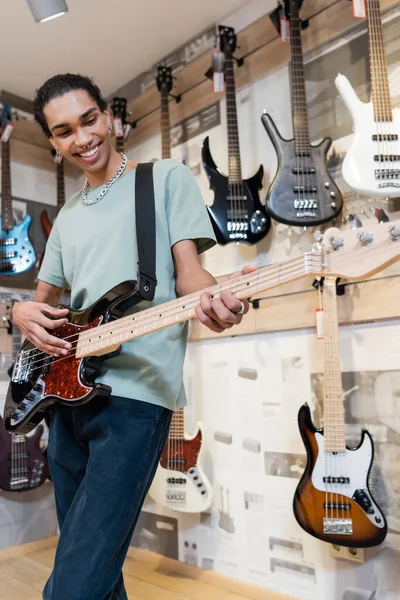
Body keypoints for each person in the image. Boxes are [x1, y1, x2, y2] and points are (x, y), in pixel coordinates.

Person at [12, 73, 254, 600]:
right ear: (53, 142)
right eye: (64, 131)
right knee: (95, 563)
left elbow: (190, 278)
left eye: (89, 120)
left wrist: (216, 303)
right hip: (65, 396)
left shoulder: (163, 178)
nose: (82, 138)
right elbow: (42, 302)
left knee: (74, 582)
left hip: (137, 396)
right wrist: (19, 313)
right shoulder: (68, 216)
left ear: (109, 116)